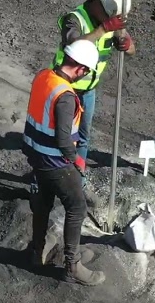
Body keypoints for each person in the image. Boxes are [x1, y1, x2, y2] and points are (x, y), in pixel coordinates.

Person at [23, 39, 107, 287]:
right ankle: (73, 265)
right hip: (54, 161)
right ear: (81, 69)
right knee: (77, 207)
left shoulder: (43, 77)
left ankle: (38, 252)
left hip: (36, 153)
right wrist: (77, 162)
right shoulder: (66, 96)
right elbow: (62, 139)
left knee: (44, 203)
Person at [53, 0, 137, 178]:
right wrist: (104, 29)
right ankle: (52, 176)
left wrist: (127, 44)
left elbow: (132, 50)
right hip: (65, 88)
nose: (110, 22)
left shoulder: (112, 22)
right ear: (100, 5)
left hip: (89, 91)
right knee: (62, 137)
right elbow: (74, 44)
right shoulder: (75, 19)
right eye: (107, 18)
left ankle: (76, 177)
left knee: (83, 138)